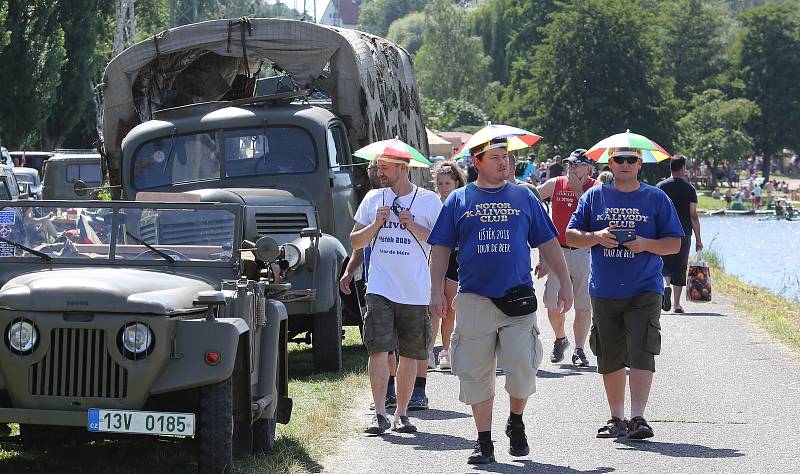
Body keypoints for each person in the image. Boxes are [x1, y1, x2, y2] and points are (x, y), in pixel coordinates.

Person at [428, 137, 573, 464]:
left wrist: (564, 282)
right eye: (495, 158)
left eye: (506, 157)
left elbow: (549, 242)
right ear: (477, 162)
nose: (504, 163)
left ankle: (516, 421)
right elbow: (439, 248)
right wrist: (436, 290)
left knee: (523, 365)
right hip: (474, 299)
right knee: (477, 372)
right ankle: (484, 441)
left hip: (517, 298)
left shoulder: (524, 196)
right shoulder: (458, 200)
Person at [566, 147, 683, 441]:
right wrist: (596, 237)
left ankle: (639, 417)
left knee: (643, 348)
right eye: (620, 159)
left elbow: (674, 243)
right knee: (610, 353)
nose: (626, 164)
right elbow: (570, 235)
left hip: (644, 287)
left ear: (640, 164)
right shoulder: (594, 197)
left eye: (632, 160)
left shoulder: (655, 197)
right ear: (610, 163)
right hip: (604, 288)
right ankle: (616, 417)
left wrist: (645, 243)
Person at [351, 152, 442, 435]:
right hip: (379, 287)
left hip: (414, 291)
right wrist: (376, 224)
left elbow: (441, 242)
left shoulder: (429, 200)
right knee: (378, 348)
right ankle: (378, 413)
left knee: (410, 354)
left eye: (386, 168)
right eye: (378, 167)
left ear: (403, 169)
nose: (380, 173)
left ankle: (401, 414)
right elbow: (355, 241)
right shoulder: (372, 198)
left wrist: (411, 223)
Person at [340, 160, 399, 410]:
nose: (375, 172)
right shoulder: (370, 201)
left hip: (401, 281)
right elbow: (360, 243)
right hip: (374, 280)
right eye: (372, 168)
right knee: (378, 341)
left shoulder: (407, 198)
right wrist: (350, 269)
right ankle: (386, 391)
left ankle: (397, 387)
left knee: (394, 341)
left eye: (380, 168)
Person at [537, 149, 598, 366]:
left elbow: (599, 217)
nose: (571, 167)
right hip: (557, 250)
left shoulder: (596, 187)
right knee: (552, 303)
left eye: (577, 164)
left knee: (583, 303)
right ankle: (560, 338)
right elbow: (531, 198)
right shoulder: (556, 183)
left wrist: (579, 192)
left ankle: (579, 350)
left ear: (588, 168)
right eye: (569, 164)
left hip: (584, 251)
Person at [430, 161, 467, 370]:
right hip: (434, 260)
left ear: (455, 183)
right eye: (440, 183)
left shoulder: (461, 203)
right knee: (433, 308)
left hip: (454, 261)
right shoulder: (432, 203)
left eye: (447, 183)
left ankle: (446, 350)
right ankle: (429, 352)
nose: (443, 187)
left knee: (450, 309)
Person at [656, 155, 704, 313]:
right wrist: (698, 239)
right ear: (683, 168)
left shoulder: (660, 187)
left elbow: (654, 212)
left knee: (665, 264)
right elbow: (693, 215)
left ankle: (665, 286)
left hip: (664, 232)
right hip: (684, 233)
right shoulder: (689, 189)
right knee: (680, 266)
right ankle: (676, 304)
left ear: (670, 167)